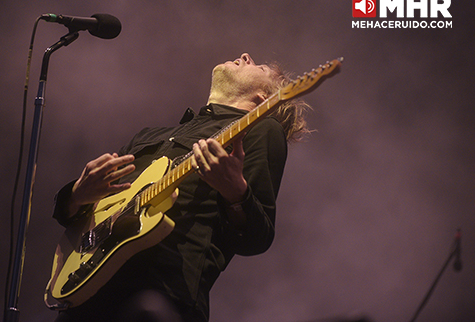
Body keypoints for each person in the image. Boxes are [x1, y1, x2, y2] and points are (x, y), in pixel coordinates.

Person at [52, 53, 310, 321]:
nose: (246, 56)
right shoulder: (149, 135)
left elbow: (258, 236)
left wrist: (236, 192)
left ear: (263, 98)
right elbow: (84, 214)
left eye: (262, 67)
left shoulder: (262, 129)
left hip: (160, 296)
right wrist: (76, 195)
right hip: (86, 291)